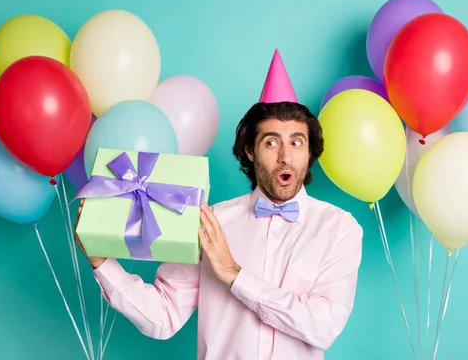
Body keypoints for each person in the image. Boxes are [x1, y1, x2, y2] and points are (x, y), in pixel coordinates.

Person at [74, 49, 363, 360]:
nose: (285, 156)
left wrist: (234, 274)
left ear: (309, 153)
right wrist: (102, 263)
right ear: (250, 151)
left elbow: (323, 327)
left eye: (296, 142)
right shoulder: (209, 222)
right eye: (271, 142)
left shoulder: (340, 229)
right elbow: (163, 316)